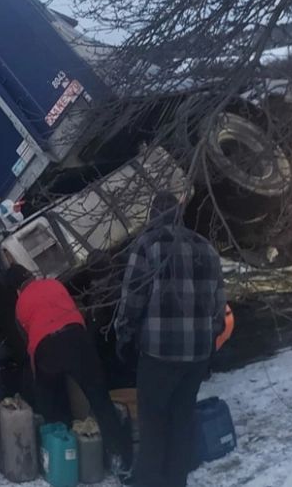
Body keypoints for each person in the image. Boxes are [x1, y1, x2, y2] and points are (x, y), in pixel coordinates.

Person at [116, 192, 226, 487]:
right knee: (181, 418)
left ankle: (148, 481)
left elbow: (133, 298)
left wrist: (124, 332)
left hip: (159, 354)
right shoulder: (206, 248)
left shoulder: (148, 244)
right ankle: (176, 480)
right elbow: (219, 307)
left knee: (152, 422)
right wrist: (208, 338)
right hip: (197, 355)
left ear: (153, 216)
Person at [7, 263, 133, 477]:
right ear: (31, 275)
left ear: (17, 289)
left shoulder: (20, 304)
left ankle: (60, 452)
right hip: (77, 340)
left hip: (46, 349)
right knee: (100, 400)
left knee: (50, 400)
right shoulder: (54, 284)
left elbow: (29, 340)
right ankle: (121, 458)